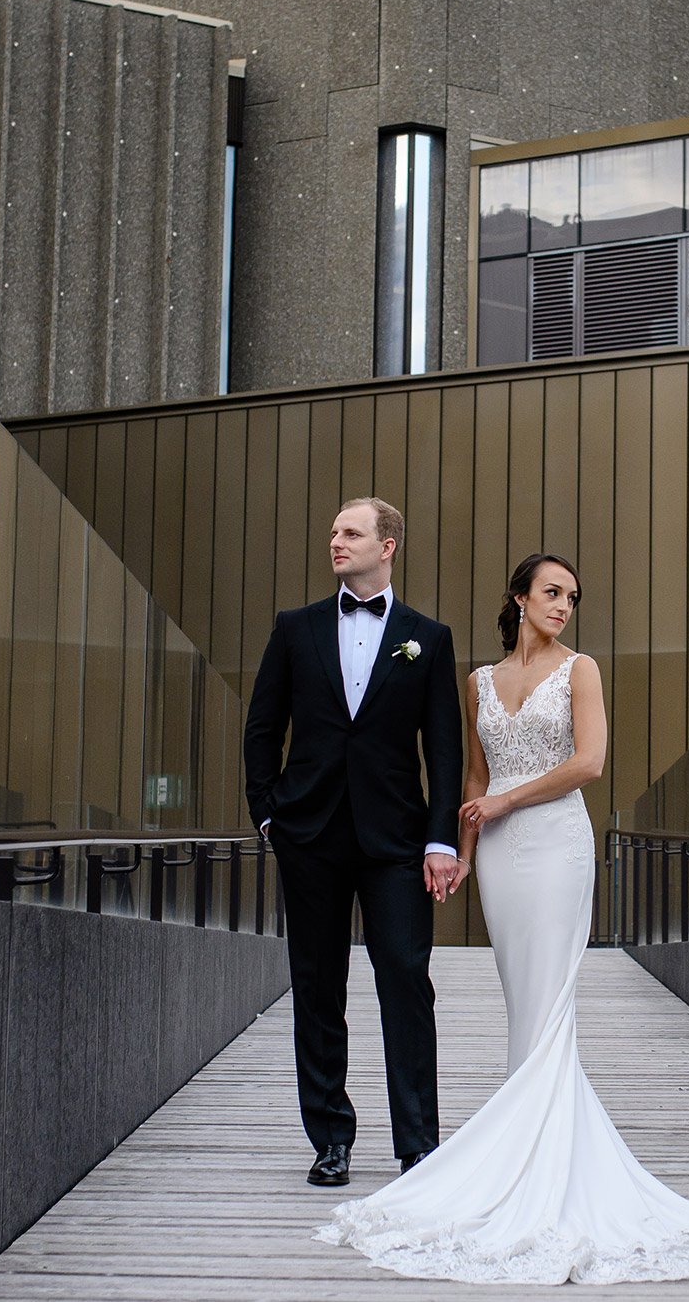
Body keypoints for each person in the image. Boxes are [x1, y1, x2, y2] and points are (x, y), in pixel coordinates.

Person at [318, 552, 689, 1285]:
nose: (563, 605)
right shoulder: (479, 680)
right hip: (501, 856)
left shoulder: (582, 669)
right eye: (551, 592)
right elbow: (474, 776)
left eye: (571, 595)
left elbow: (591, 763)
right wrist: (463, 851)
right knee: (523, 1006)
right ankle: (524, 1153)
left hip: (557, 843)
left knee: (550, 1008)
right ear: (519, 597)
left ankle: (534, 1167)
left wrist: (507, 801)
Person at [242, 496, 464, 1189]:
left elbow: (446, 750)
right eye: (333, 529)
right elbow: (261, 729)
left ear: (387, 544)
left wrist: (440, 840)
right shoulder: (295, 627)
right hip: (308, 835)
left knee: (404, 981)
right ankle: (330, 1138)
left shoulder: (428, 635)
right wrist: (269, 815)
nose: (335, 540)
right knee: (317, 987)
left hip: (397, 839)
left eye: (351, 531)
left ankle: (418, 1144)